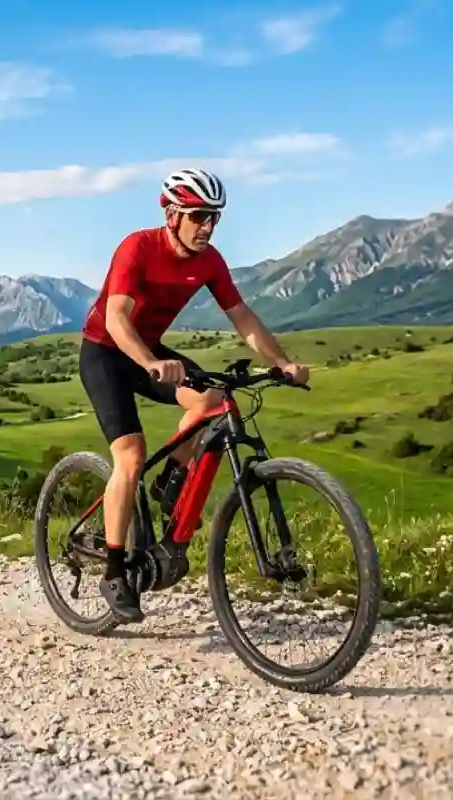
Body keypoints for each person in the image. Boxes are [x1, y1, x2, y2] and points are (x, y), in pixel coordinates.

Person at [79, 167, 310, 622]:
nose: (207, 226)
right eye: (199, 215)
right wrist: (149, 363)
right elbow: (117, 319)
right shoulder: (137, 247)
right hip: (108, 353)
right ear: (171, 214)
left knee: (212, 401)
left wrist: (283, 362)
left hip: (151, 353)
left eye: (214, 218)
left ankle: (171, 478)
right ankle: (112, 571)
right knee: (129, 456)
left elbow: (242, 317)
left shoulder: (208, 260)